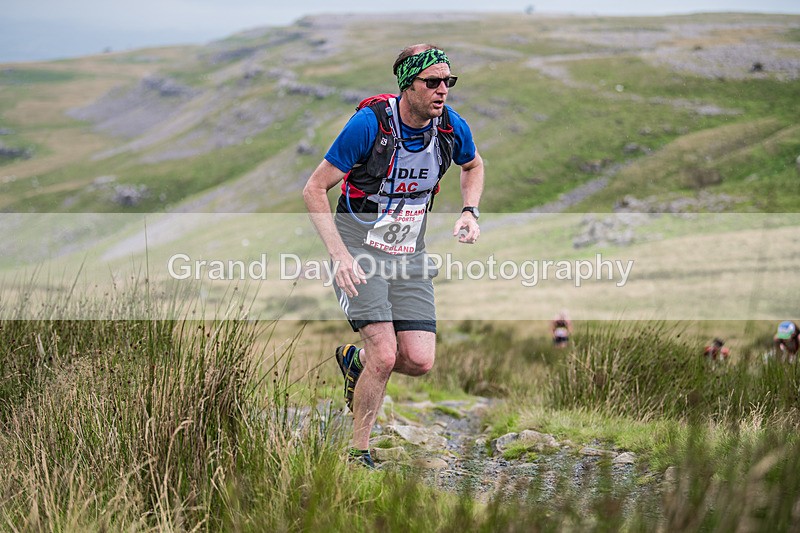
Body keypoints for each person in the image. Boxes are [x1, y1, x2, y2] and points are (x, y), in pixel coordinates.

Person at [302, 44, 484, 468]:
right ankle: (357, 451)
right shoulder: (369, 126)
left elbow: (473, 166)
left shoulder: (451, 128)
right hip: (358, 250)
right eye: (433, 82)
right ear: (408, 85)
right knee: (385, 355)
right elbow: (314, 188)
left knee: (419, 360)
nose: (443, 91)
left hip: (408, 253)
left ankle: (355, 362)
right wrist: (339, 255)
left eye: (448, 82)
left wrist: (469, 211)